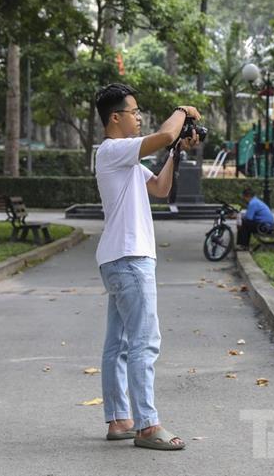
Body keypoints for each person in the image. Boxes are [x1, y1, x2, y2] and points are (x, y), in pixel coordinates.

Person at [93, 83, 202, 450]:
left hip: (118, 258)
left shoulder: (124, 159)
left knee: (119, 344)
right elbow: (166, 132)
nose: (139, 118)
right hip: (130, 258)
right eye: (134, 112)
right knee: (145, 342)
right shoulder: (113, 150)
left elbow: (159, 188)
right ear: (115, 117)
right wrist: (182, 111)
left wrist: (175, 152)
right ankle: (147, 424)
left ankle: (120, 419)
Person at [236, 186, 274, 250]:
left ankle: (243, 245)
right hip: (267, 226)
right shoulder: (256, 201)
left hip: (264, 227)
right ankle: (243, 245)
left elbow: (249, 218)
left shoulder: (252, 203)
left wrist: (240, 217)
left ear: (247, 196)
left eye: (244, 197)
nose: (244, 199)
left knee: (243, 223)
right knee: (245, 223)